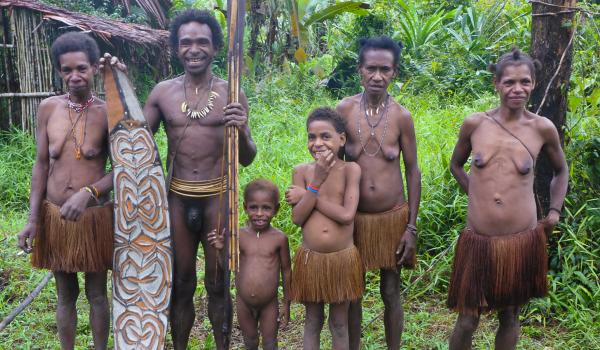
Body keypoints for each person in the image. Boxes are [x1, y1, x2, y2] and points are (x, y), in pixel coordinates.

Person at [101, 9, 256, 349]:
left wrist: (242, 129)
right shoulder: (162, 93)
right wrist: (120, 85)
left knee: (218, 283)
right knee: (181, 282)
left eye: (202, 42)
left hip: (219, 198)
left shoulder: (232, 93)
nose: (194, 49)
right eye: (186, 42)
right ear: (176, 48)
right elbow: (136, 143)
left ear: (215, 47)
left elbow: (246, 157)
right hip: (176, 197)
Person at [447, 48, 568, 350]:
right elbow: (455, 165)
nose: (517, 89)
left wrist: (554, 211)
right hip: (479, 240)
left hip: (521, 241)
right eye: (510, 82)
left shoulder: (542, 129)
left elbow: (560, 170)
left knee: (510, 316)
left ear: (534, 83)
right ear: (496, 84)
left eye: (524, 82)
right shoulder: (475, 124)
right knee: (467, 319)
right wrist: (476, 194)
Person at [17, 32, 113, 350]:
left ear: (94, 69)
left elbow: (127, 169)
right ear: (59, 71)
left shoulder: (109, 112)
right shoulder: (48, 108)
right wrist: (33, 219)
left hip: (93, 217)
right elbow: (41, 165)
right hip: (55, 216)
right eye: (66, 70)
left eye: (81, 68)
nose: (74, 76)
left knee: (97, 292)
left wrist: (89, 192)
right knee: (65, 293)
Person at [335, 36, 421, 349]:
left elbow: (412, 170)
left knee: (390, 289)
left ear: (394, 72)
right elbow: (333, 163)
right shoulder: (344, 109)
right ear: (359, 69)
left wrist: (411, 226)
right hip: (354, 216)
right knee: (353, 292)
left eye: (385, 69)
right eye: (371, 68)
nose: (377, 76)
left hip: (392, 217)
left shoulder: (401, 116)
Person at [285, 107, 363, 349]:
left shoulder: (351, 170)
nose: (317, 143)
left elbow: (347, 215)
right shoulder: (302, 172)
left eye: (325, 136)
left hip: (342, 259)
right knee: (312, 320)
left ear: (342, 139)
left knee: (339, 323)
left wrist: (309, 196)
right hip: (311, 259)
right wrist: (316, 181)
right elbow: (297, 218)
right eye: (311, 137)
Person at [207, 179, 292, 350]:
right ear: (245, 208)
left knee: (270, 343)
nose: (259, 213)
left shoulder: (279, 238)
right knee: (250, 341)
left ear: (276, 209)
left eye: (266, 208)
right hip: (243, 302)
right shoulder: (238, 236)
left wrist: (286, 303)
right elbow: (226, 267)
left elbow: (287, 271)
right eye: (254, 207)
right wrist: (221, 250)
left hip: (269, 303)